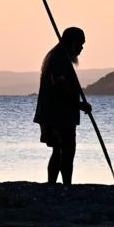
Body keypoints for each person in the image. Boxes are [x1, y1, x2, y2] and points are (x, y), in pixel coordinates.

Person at [34, 27, 91, 185]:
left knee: (60, 151)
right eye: (80, 44)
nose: (81, 48)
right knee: (65, 151)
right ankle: (63, 185)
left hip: (58, 114)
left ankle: (56, 185)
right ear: (72, 43)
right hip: (57, 115)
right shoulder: (58, 58)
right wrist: (79, 105)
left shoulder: (60, 57)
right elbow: (59, 87)